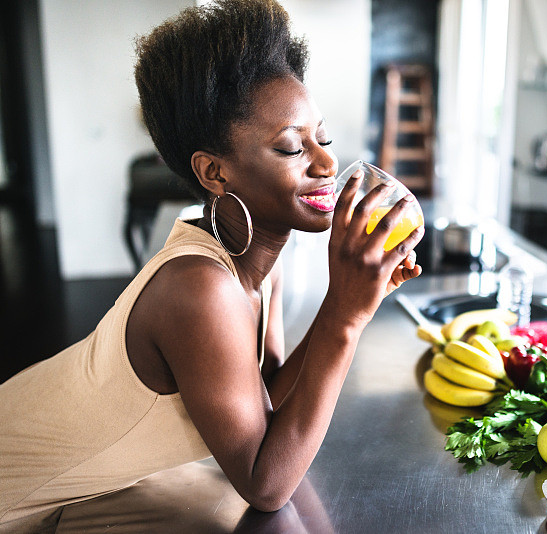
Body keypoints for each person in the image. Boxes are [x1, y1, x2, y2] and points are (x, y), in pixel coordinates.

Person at [0, 0, 423, 530]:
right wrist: (344, 316)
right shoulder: (199, 289)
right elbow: (265, 483)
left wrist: (359, 298)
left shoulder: (253, 261)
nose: (327, 162)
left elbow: (263, 403)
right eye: (294, 148)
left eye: (324, 137)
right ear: (215, 173)